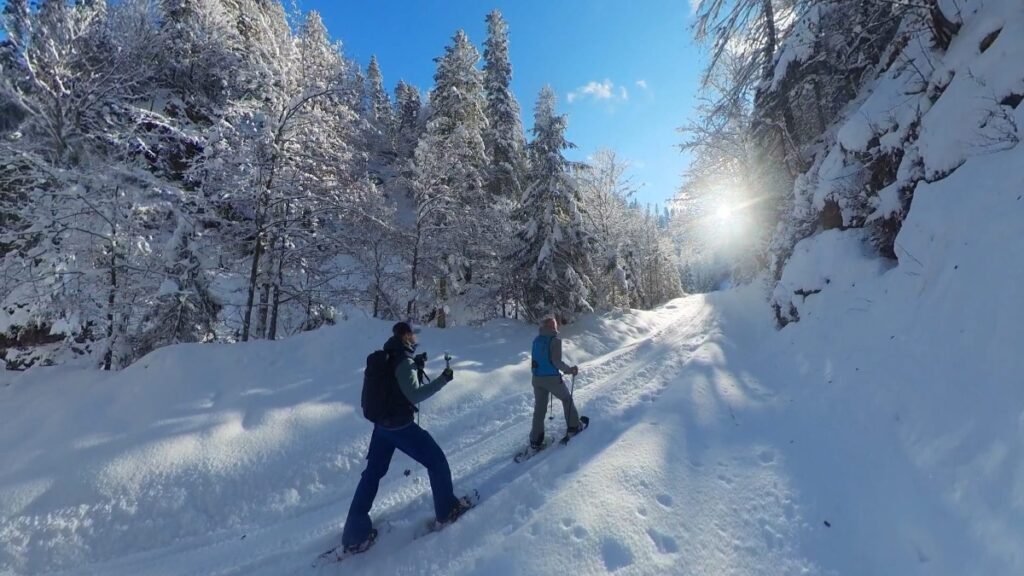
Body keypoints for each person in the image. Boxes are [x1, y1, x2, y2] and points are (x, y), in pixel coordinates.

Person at [341, 321, 467, 552]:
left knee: (372, 474)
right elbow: (415, 395)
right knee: (437, 462)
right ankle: (446, 511)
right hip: (400, 427)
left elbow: (394, 386)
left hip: (381, 427)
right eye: (413, 335)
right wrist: (443, 380)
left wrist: (415, 367)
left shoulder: (387, 356)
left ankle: (354, 533)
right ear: (406, 336)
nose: (416, 339)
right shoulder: (403, 361)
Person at [529, 317, 583, 449]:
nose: (555, 326)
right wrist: (570, 370)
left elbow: (535, 360)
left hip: (537, 379)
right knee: (566, 399)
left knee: (539, 409)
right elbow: (556, 362)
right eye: (553, 324)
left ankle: (535, 440)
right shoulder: (555, 341)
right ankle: (574, 426)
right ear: (551, 327)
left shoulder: (536, 340)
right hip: (551, 378)